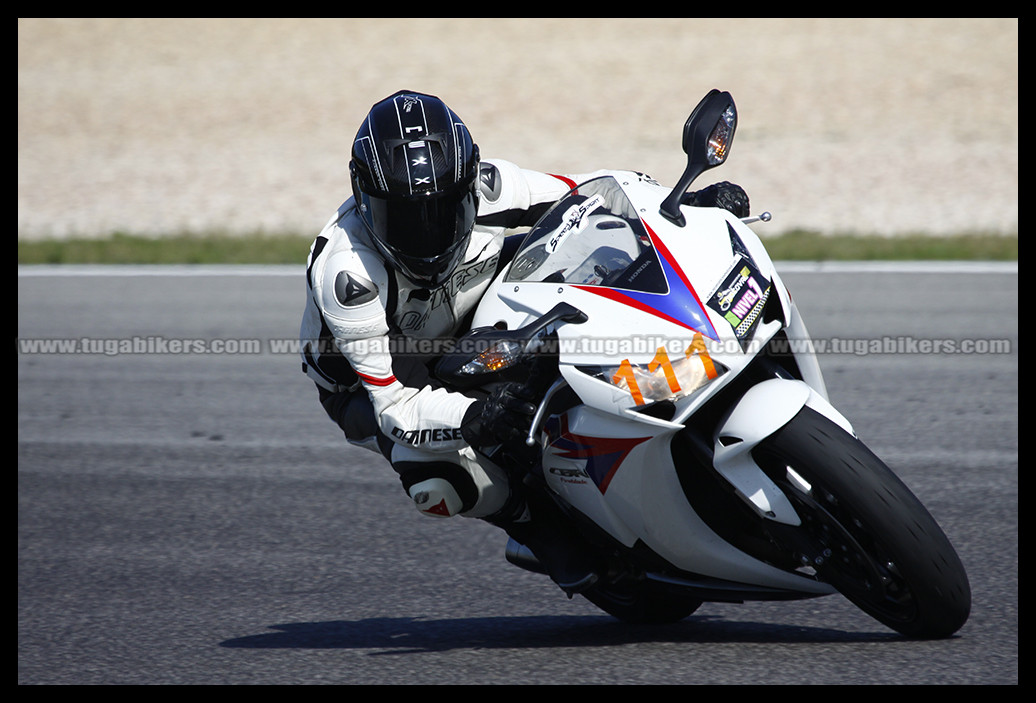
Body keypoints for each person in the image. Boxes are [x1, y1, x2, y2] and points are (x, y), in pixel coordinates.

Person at [299, 90, 749, 594]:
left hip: (474, 306)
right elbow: (392, 403)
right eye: (402, 219)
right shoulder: (348, 274)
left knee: (596, 240)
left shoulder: (490, 185)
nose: (425, 235)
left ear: (469, 186)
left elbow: (597, 192)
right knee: (438, 479)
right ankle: (531, 521)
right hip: (381, 374)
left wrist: (686, 204)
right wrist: (471, 418)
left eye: (442, 211)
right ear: (364, 203)